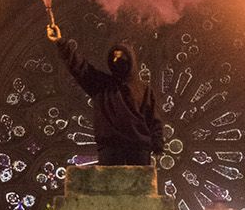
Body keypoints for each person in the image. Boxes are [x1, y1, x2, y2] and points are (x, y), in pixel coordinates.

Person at [45, 27, 162, 166]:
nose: (117, 60)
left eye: (122, 57)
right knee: (110, 186)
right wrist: (60, 42)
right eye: (114, 57)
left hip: (138, 148)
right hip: (111, 147)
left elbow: (154, 119)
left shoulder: (144, 90)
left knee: (137, 185)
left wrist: (157, 142)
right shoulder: (101, 84)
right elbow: (79, 67)